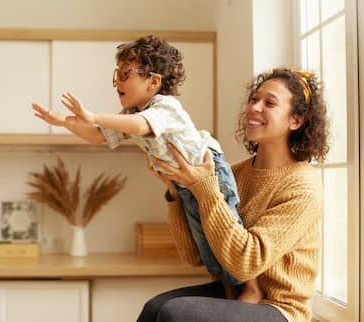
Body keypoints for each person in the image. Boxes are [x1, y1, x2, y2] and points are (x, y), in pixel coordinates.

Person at [32, 35, 261, 301]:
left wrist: (93, 115)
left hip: (211, 176)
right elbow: (99, 135)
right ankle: (230, 293)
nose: (117, 82)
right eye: (117, 74)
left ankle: (253, 287)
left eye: (126, 74)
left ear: (153, 82)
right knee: (208, 247)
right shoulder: (131, 114)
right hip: (185, 186)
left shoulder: (165, 107)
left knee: (228, 232)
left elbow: (142, 126)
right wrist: (64, 123)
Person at [137, 68, 329, 322]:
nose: (254, 108)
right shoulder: (234, 173)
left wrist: (206, 190)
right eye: (253, 99)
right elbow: (193, 255)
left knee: (175, 313)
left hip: (279, 308)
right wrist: (175, 191)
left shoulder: (303, 185)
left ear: (295, 120)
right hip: (234, 292)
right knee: (155, 307)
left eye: (269, 103)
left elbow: (246, 262)